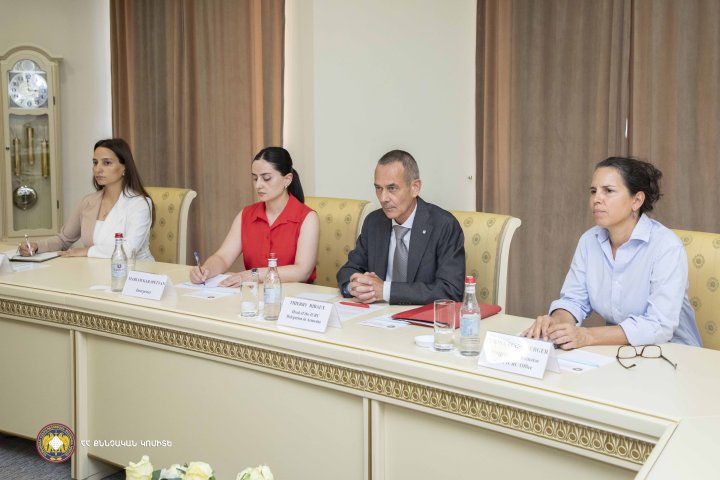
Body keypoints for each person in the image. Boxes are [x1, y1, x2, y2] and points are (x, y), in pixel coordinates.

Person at [524, 157, 702, 348]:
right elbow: (574, 300)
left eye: (608, 191)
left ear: (636, 200)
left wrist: (588, 336)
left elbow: (659, 325)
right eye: (593, 191)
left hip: (674, 351)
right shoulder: (589, 240)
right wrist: (556, 324)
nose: (596, 199)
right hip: (619, 350)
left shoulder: (666, 246)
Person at [337, 149, 465, 305]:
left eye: (392, 188)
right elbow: (348, 270)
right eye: (378, 188)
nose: (383, 198)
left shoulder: (444, 225)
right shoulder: (374, 222)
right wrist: (354, 287)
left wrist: (385, 291)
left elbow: (450, 291)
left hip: (420, 317)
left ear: (415, 187)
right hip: (376, 314)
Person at [190, 147, 319, 286]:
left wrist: (252, 275)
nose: (258, 185)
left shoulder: (308, 218)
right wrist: (206, 270)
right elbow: (223, 257)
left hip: (294, 295)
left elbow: (302, 271)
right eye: (255, 178)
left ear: (287, 179)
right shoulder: (246, 215)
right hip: (255, 294)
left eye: (266, 178)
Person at [19, 138, 154, 260]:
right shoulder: (88, 202)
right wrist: (36, 246)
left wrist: (86, 251)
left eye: (107, 163)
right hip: (97, 272)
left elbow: (129, 250)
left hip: (136, 273)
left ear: (125, 167)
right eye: (95, 163)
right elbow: (63, 240)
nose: (98, 169)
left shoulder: (140, 204)